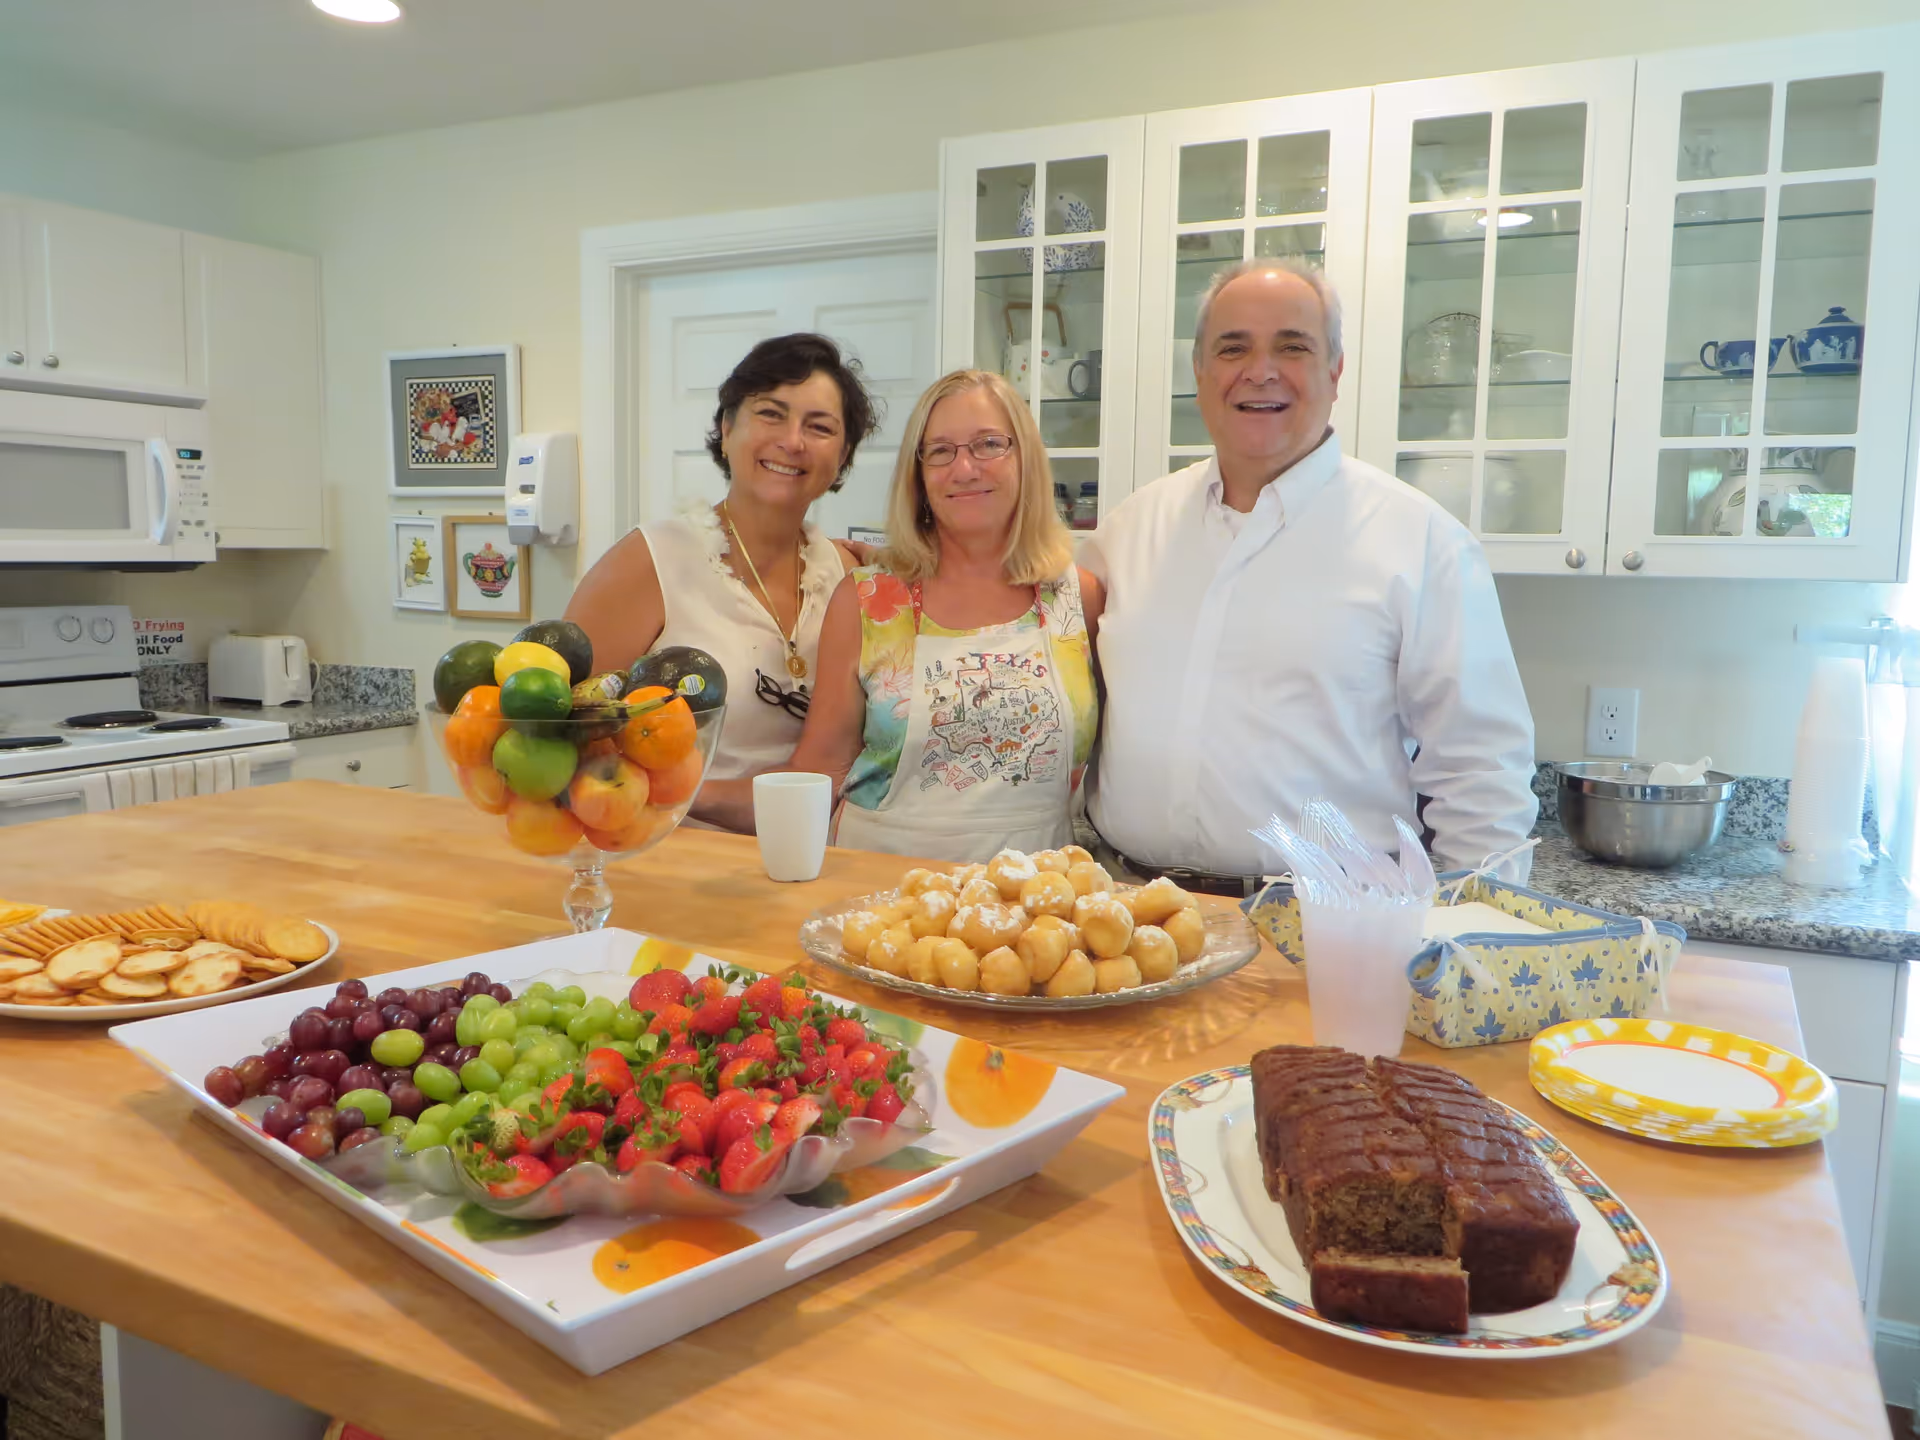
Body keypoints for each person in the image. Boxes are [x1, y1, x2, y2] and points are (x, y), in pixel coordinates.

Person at [1084, 258, 1537, 893]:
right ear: (1200, 371)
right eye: (1232, 347)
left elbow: (1481, 777)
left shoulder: (1423, 543)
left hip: (1326, 924)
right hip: (1130, 919)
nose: (1260, 370)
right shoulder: (1130, 530)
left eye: (1291, 347)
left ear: (1335, 369)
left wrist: (1469, 933)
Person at [706, 369, 1103, 861]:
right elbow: (820, 774)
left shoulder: (1077, 599)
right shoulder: (868, 601)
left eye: (989, 444)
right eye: (940, 451)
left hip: (1036, 902)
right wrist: (678, 797)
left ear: (1025, 459)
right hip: (883, 892)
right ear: (918, 476)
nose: (964, 469)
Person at [565, 333, 877, 830]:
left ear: (843, 456)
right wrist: (668, 794)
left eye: (819, 427)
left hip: (813, 860)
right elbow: (562, 731)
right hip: (669, 861)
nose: (793, 441)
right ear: (726, 428)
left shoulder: (851, 576)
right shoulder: (651, 561)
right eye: (771, 414)